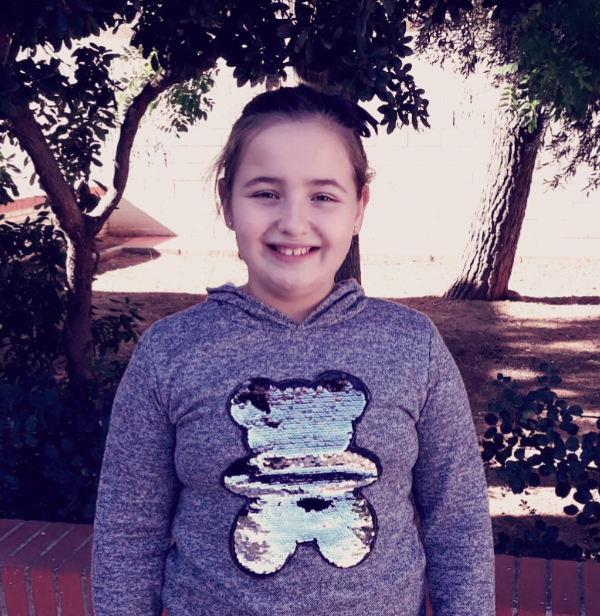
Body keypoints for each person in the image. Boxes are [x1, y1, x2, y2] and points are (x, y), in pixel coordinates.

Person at [92, 84, 495, 616]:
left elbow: (458, 523)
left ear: (359, 208)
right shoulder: (170, 354)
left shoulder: (412, 346)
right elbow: (128, 532)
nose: (293, 222)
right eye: (265, 193)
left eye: (323, 196)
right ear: (227, 202)